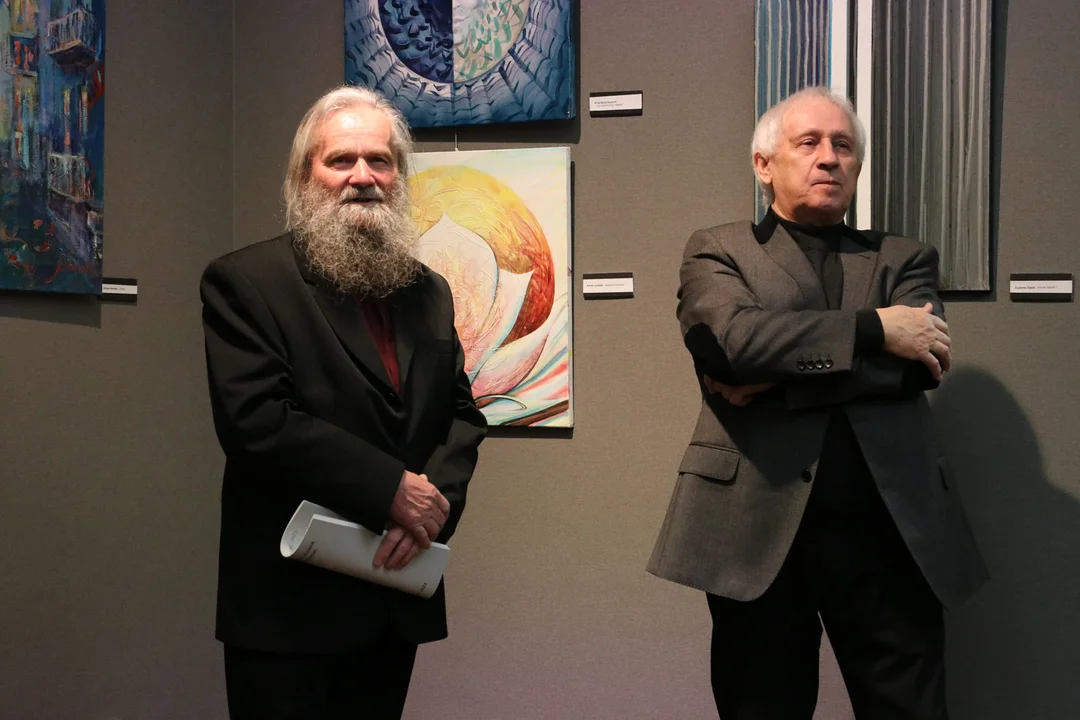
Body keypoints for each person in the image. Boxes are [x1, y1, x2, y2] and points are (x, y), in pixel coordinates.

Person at [647, 86, 988, 719]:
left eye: (843, 145)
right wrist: (875, 330)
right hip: (755, 528)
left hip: (891, 531)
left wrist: (777, 372)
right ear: (763, 164)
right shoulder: (718, 249)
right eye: (808, 142)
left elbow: (919, 369)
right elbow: (733, 347)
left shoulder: (904, 258)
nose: (829, 157)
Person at [200, 85, 487, 719]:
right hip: (288, 612)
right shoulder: (246, 282)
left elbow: (462, 415)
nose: (363, 177)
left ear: (399, 176)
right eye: (341, 160)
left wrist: (431, 511)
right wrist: (391, 490)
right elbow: (257, 423)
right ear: (304, 177)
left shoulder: (429, 290)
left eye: (380, 160)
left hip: (392, 595)